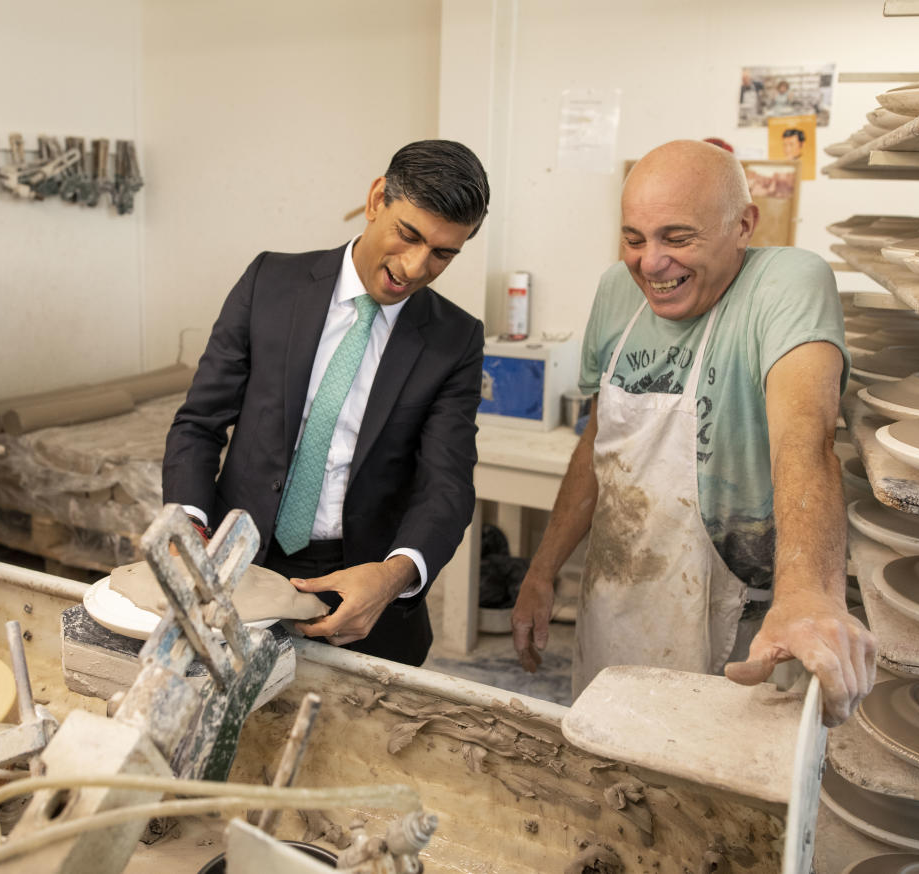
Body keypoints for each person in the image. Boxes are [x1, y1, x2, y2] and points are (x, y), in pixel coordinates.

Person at [511, 139, 875, 726]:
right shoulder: (616, 291)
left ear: (743, 226)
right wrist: (541, 570)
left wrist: (808, 592)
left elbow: (804, 442)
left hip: (734, 619)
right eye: (634, 238)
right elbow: (598, 445)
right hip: (617, 599)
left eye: (677, 238)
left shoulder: (785, 285)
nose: (651, 263)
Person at [163, 140, 490, 667]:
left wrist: (394, 575)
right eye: (408, 235)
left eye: (443, 253)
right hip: (238, 566)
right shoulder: (269, 283)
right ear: (377, 198)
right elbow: (199, 423)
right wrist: (189, 527)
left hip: (361, 588)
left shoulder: (455, 340)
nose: (413, 267)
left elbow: (446, 486)